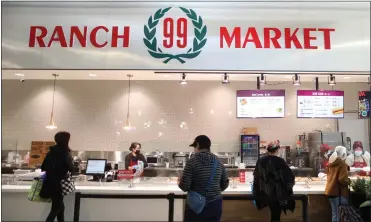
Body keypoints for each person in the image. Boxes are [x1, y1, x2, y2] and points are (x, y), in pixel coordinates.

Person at [178, 135, 229, 222]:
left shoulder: (192, 162)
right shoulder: (219, 161)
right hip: (215, 205)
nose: (194, 149)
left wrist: (179, 180)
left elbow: (184, 187)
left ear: (197, 145)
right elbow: (225, 183)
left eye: (194, 146)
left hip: (196, 206)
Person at [253, 140, 295, 222]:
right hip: (277, 194)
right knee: (276, 216)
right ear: (277, 150)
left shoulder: (260, 160)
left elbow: (256, 176)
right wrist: (289, 187)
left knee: (274, 215)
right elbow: (289, 178)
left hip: (264, 193)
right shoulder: (280, 161)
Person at [40, 131, 74, 222]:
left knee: (60, 207)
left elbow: (43, 167)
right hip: (59, 185)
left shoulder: (50, 152)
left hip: (50, 183)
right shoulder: (65, 153)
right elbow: (71, 169)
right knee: (55, 209)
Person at [325, 146, 350, 222]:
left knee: (335, 214)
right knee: (341, 215)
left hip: (330, 191)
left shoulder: (331, 163)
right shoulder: (342, 164)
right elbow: (342, 179)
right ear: (343, 154)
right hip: (339, 193)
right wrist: (349, 181)